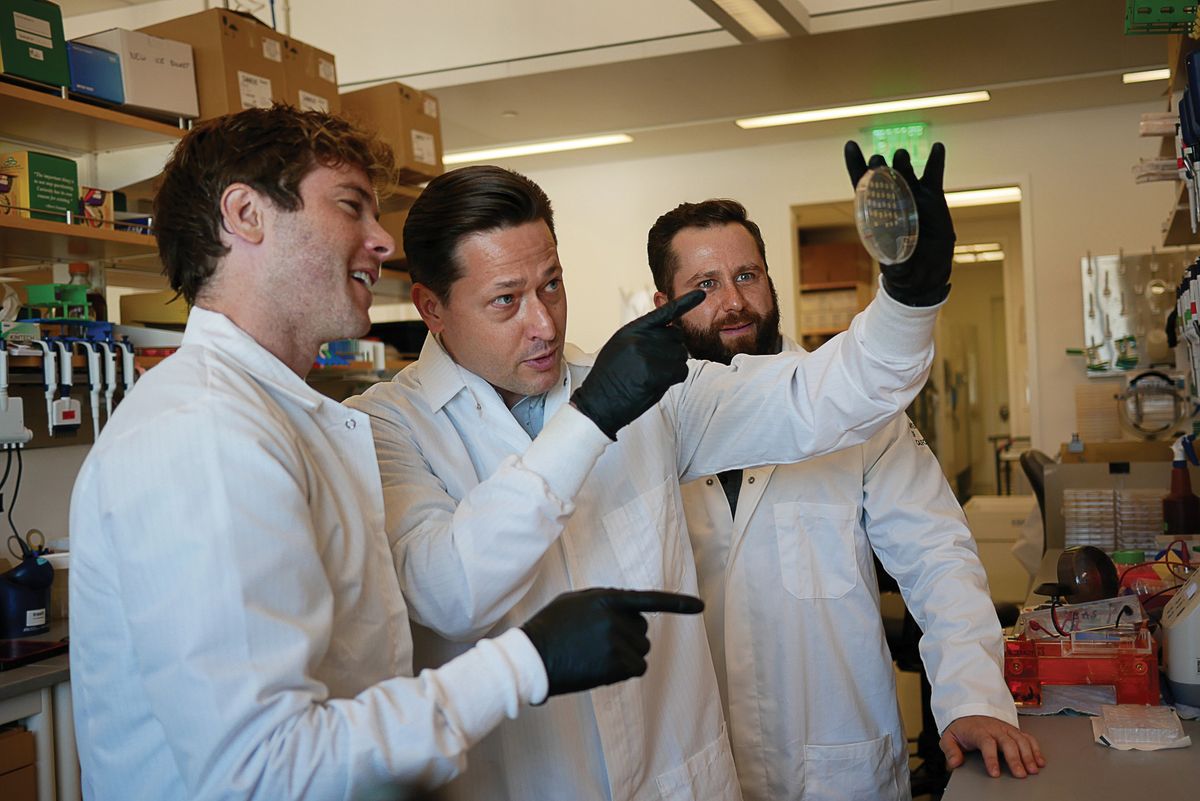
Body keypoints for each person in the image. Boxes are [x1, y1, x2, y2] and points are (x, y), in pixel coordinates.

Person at [68, 105, 704, 801]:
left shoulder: (289, 418)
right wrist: (526, 661)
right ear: (246, 214)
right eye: (351, 208)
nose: (380, 240)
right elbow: (261, 771)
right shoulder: (205, 433)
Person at [344, 149, 951, 800]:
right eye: (506, 300)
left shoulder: (652, 390)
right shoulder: (382, 428)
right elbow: (451, 593)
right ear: (431, 308)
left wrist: (909, 301)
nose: (544, 322)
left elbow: (819, 395)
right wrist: (591, 417)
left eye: (551, 283)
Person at [644, 145, 1044, 801]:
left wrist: (973, 696)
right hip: (697, 766)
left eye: (748, 275)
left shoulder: (858, 411)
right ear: (664, 303)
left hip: (837, 761)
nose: (734, 301)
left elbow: (937, 555)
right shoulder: (646, 425)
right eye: (706, 285)